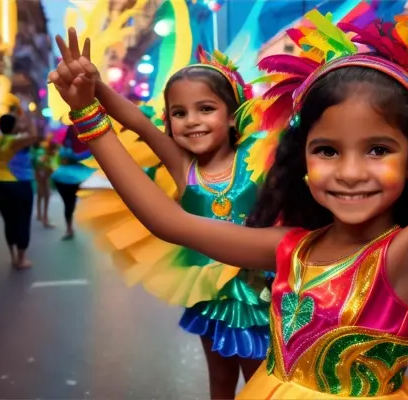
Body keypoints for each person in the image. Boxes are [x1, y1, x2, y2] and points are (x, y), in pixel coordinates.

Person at [50, 2, 408, 398]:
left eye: (376, 149)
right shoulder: (288, 248)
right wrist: (87, 113)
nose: (349, 173)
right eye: (327, 150)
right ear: (302, 162)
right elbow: (169, 221)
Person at [60, 33, 269, 399]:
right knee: (220, 383)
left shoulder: (255, 156)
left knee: (264, 385)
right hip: (209, 296)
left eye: (206, 109)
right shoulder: (182, 164)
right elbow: (137, 122)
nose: (191, 121)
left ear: (234, 117)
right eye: (179, 113)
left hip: (263, 296)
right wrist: (96, 88)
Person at [0, 112, 38, 269]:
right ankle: (21, 259)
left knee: (9, 220)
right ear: (13, 126)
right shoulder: (13, 142)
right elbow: (34, 136)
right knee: (23, 220)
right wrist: (29, 120)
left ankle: (13, 256)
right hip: (17, 184)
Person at [51, 126, 93, 240]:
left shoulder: (65, 147)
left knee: (69, 205)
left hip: (63, 178)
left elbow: (62, 157)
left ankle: (69, 228)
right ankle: (71, 228)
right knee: (72, 205)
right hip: (78, 179)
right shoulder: (87, 146)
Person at [32, 138, 58, 228]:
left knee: (41, 193)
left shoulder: (44, 155)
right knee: (46, 195)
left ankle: (40, 214)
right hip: (43, 177)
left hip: (41, 176)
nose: (56, 152)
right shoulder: (45, 156)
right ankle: (45, 219)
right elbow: (42, 168)